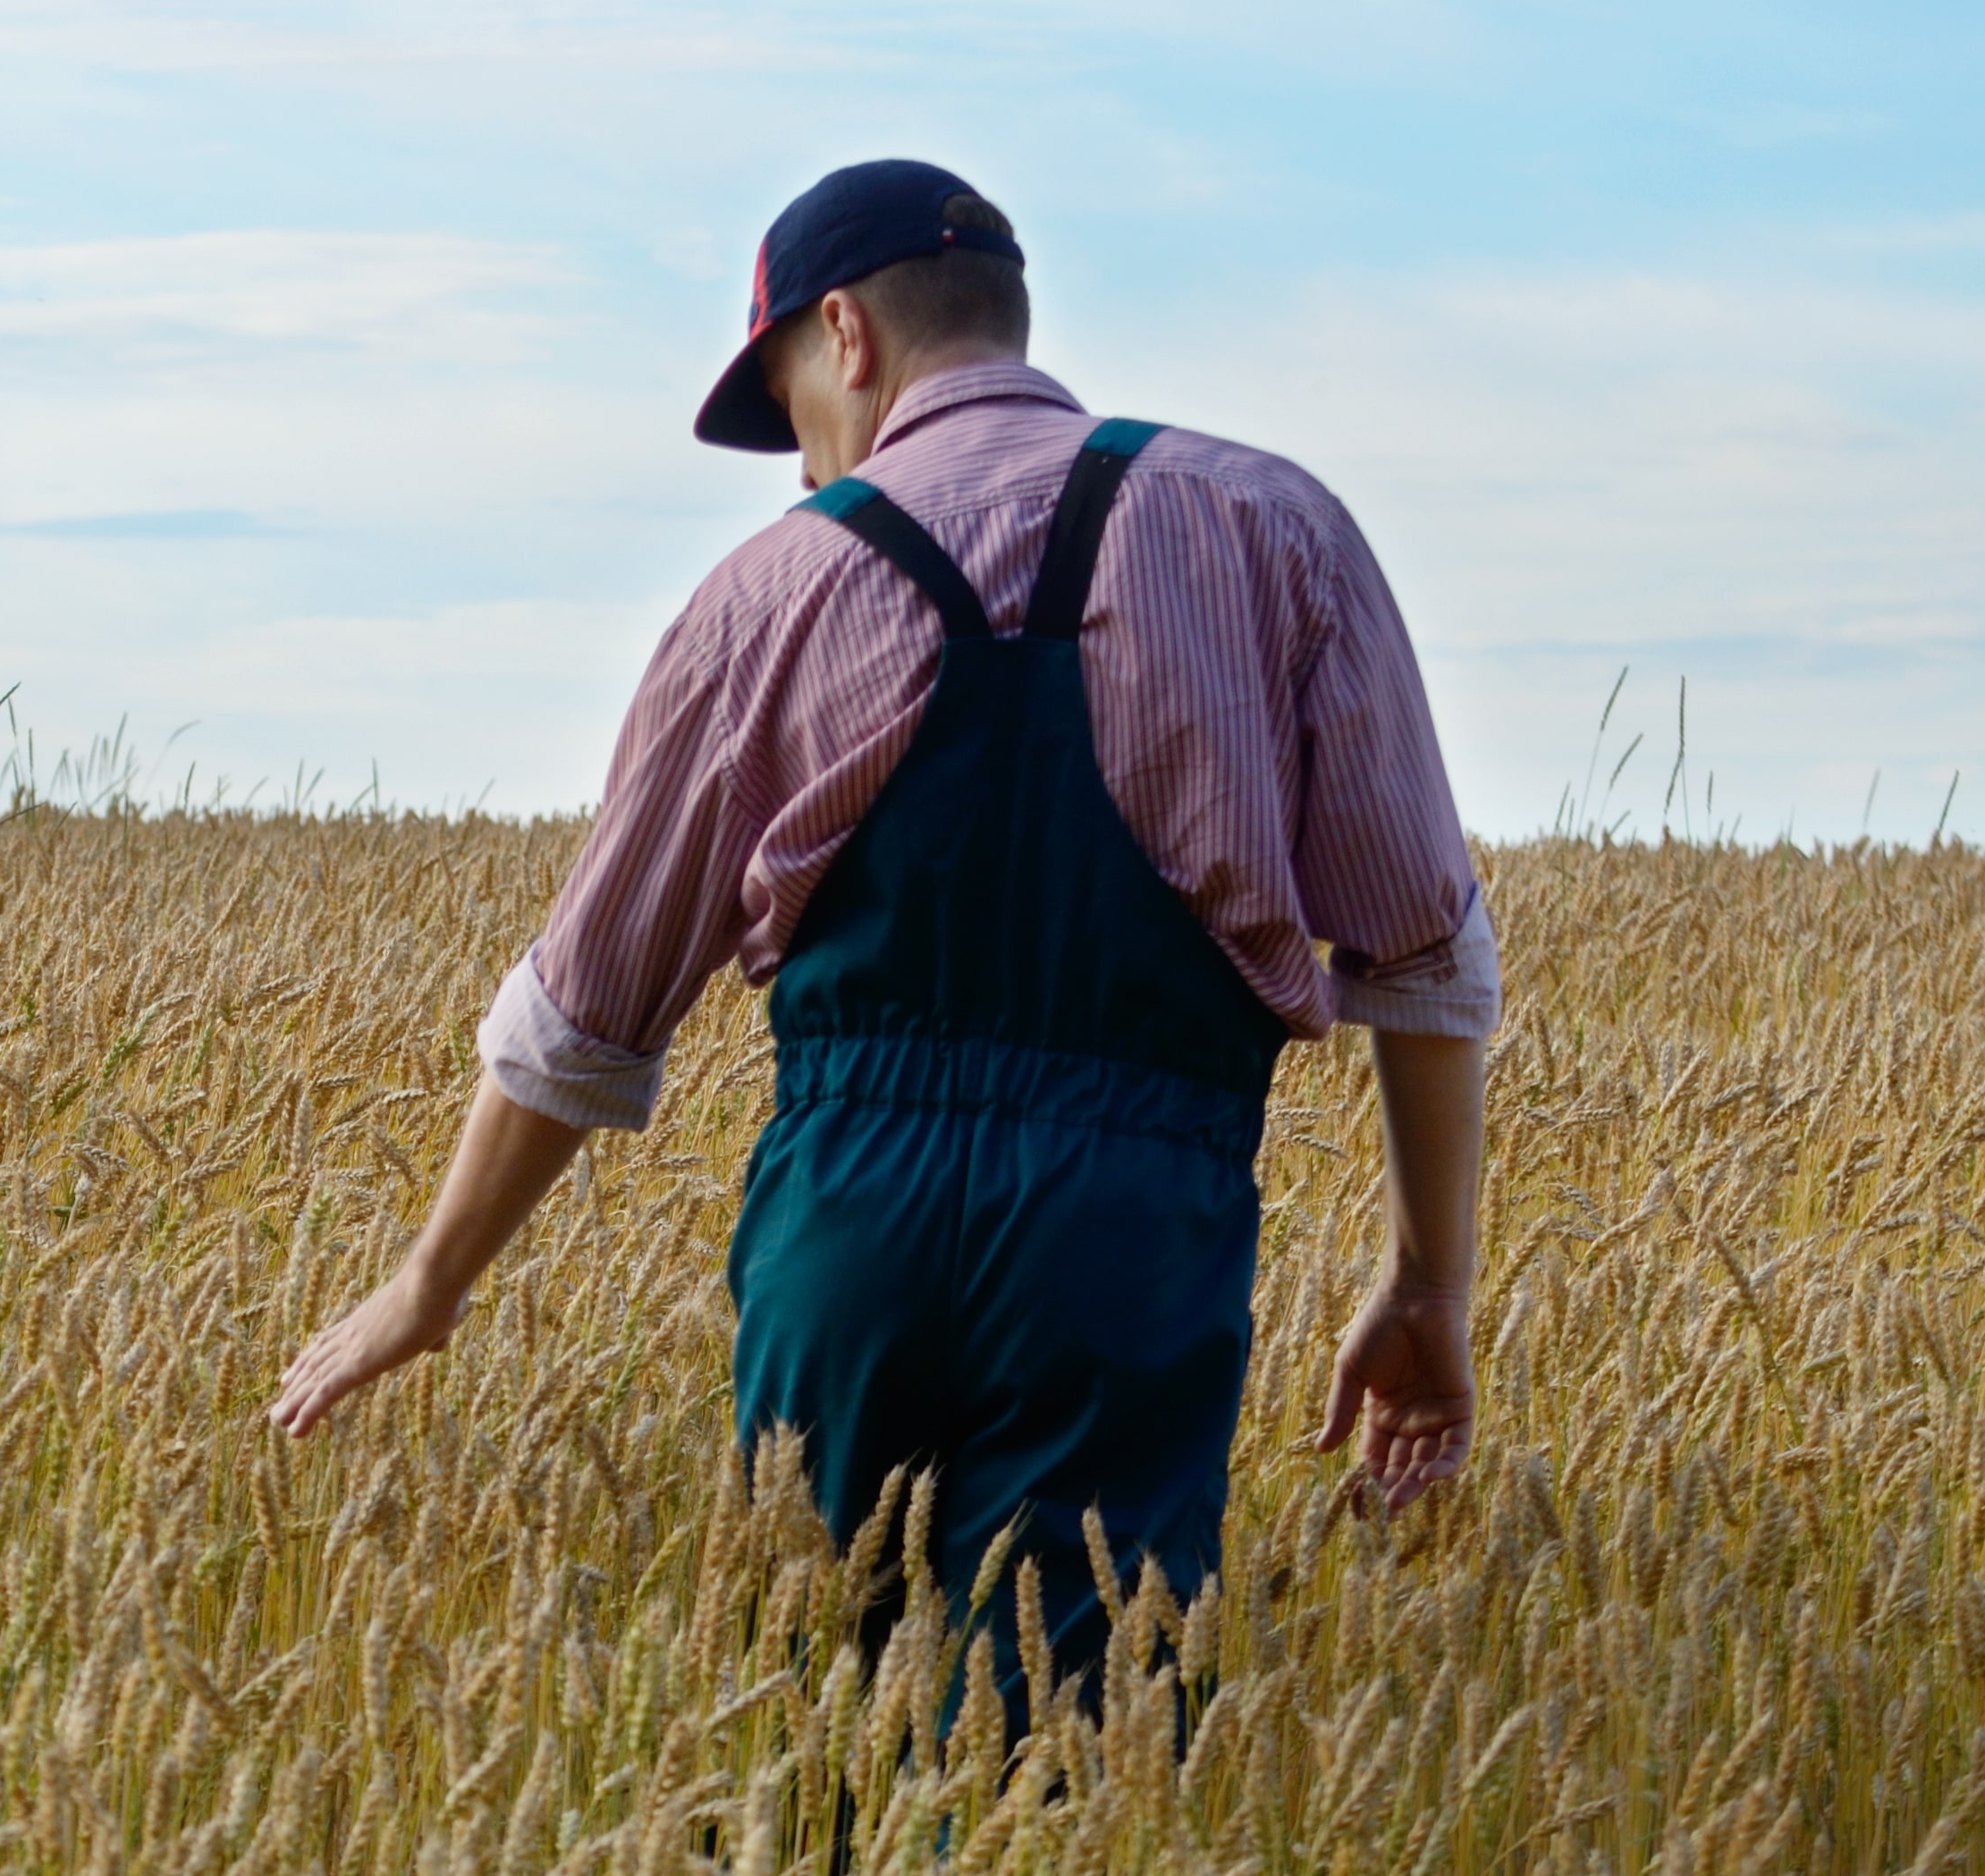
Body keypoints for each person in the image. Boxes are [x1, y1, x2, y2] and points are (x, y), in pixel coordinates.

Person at [266, 159, 1491, 1704]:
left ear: (845, 332)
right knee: (1079, 1732)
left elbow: (582, 1014)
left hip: (849, 1223)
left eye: (788, 410)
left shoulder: (766, 591)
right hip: (1136, 1228)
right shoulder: (1278, 530)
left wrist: (431, 1282)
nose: (798, 473)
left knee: (810, 1714)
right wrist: (1429, 1286)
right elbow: (1427, 961)